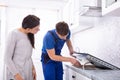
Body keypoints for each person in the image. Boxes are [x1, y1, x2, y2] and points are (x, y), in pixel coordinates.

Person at [4, 15, 40, 80]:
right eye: (36, 29)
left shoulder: (29, 35)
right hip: (16, 73)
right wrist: (16, 75)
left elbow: (28, 56)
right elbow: (7, 58)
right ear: (28, 29)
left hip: (28, 72)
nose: (39, 30)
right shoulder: (13, 34)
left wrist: (33, 68)